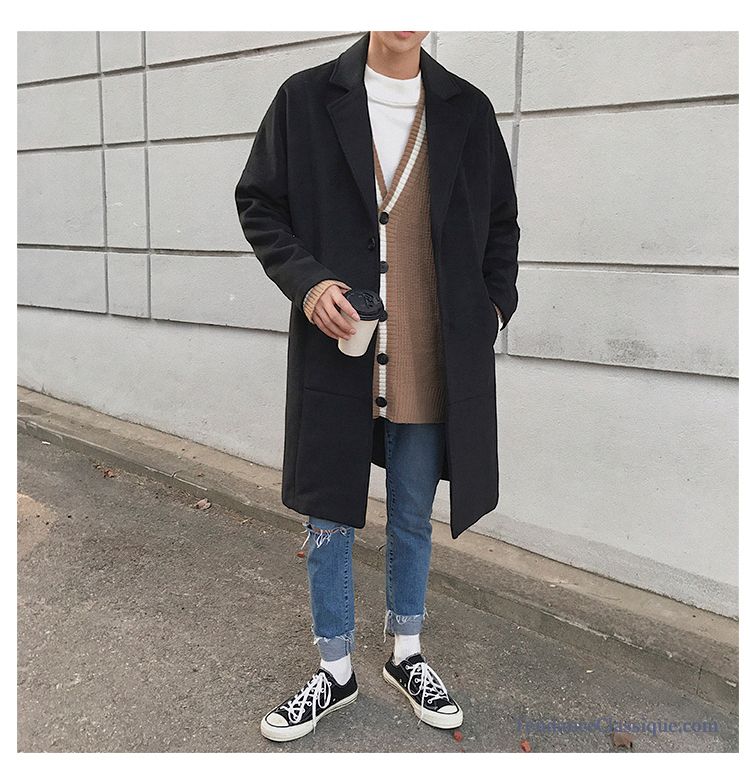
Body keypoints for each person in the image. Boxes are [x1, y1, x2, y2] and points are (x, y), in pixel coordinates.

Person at [235, 30, 519, 742]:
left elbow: (501, 223)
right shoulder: (305, 99)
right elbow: (258, 202)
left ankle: (406, 652)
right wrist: (308, 284)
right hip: (340, 349)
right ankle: (335, 668)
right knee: (327, 516)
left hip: (429, 353)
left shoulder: (467, 109)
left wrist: (491, 309)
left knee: (413, 513)